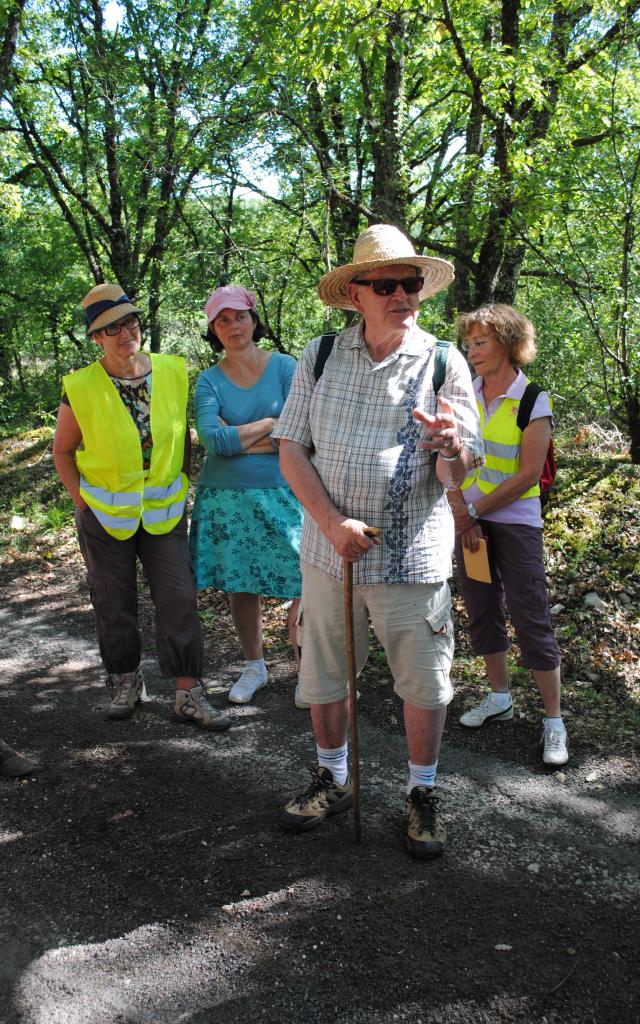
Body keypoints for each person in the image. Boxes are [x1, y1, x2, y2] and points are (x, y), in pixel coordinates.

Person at [272, 224, 483, 860]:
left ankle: (422, 792)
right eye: (387, 284)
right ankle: (332, 778)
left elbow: (462, 463)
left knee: (423, 682)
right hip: (326, 551)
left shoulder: (446, 361)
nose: (403, 295)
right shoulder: (320, 356)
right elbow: (290, 447)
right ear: (356, 294)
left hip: (412, 555)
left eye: (410, 284)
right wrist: (332, 523)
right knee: (325, 670)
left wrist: (452, 448)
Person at [52, 283, 231, 732]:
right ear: (96, 338)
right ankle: (126, 681)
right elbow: (63, 451)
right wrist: (81, 501)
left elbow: (183, 438)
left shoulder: (173, 370)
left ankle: (188, 694)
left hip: (164, 512)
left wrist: (180, 484)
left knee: (178, 599)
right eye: (109, 328)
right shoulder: (81, 387)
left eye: (128, 321)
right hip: (103, 513)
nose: (123, 332)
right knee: (113, 602)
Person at [448, 303, 568, 766]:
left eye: (481, 342)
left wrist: (473, 509)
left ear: (507, 342)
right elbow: (453, 458)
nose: (472, 350)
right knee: (481, 608)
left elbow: (528, 475)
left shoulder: (533, 398)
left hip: (514, 524)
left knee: (530, 614)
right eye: (470, 342)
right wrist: (463, 513)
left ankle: (553, 721)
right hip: (470, 520)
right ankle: (499, 696)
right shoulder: (465, 393)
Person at [190, 286, 303, 705]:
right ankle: (254, 665)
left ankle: (308, 669)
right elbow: (212, 441)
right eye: (222, 320)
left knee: (304, 580)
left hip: (286, 490)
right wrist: (270, 424)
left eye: (239, 316)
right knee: (241, 584)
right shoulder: (208, 379)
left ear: (254, 320)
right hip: (226, 497)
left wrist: (242, 434)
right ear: (213, 330)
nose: (233, 326)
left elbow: (297, 430)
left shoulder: (286, 367)